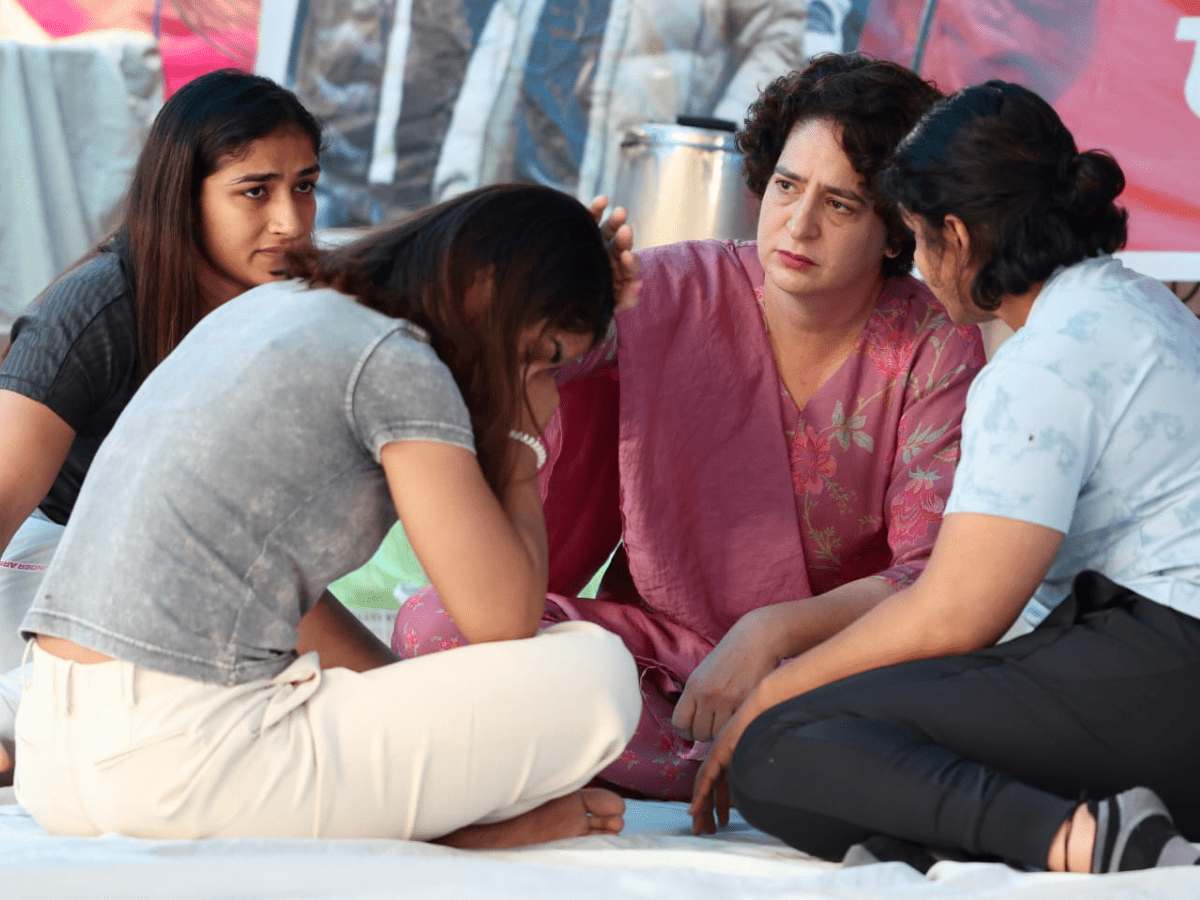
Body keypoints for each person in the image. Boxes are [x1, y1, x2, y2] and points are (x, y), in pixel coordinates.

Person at [393, 53, 986, 799]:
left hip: (822, 672)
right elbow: (536, 369)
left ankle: (716, 753)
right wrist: (564, 294)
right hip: (650, 660)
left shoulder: (935, 348)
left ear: (895, 229)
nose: (797, 224)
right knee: (432, 627)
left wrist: (770, 631)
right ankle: (728, 766)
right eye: (785, 186)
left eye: (840, 205)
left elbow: (931, 578)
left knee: (886, 718)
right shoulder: (671, 289)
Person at [14, 183, 642, 845]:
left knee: (442, 692)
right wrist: (521, 438)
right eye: (544, 359)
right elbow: (501, 618)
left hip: (56, 756)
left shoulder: (279, 306)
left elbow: (288, 601)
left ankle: (416, 816)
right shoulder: (397, 360)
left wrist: (438, 736)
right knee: (598, 673)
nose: (544, 384)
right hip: (183, 765)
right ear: (486, 288)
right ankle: (447, 838)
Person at [691, 80, 1200, 875]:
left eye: (919, 239)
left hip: (1169, 661)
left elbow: (959, 612)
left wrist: (770, 694)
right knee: (857, 736)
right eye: (786, 188)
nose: (920, 270)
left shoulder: (1046, 357)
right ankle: (1017, 832)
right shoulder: (1136, 306)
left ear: (956, 236)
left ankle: (1084, 842)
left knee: (783, 750)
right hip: (1143, 660)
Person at [0, 68, 323, 784]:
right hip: (55, 569)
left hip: (216, 577)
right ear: (183, 196)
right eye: (254, 190)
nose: (290, 222)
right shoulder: (92, 314)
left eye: (305, 185)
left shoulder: (307, 300)